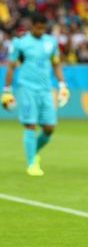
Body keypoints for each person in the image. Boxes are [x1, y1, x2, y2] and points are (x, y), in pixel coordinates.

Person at [1, 12, 70, 176]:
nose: (40, 31)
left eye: (43, 28)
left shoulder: (51, 43)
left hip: (46, 90)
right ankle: (32, 163)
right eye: (38, 28)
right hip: (27, 89)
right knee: (30, 125)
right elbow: (11, 67)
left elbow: (56, 65)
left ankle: (33, 152)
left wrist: (62, 85)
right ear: (31, 26)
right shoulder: (20, 44)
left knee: (49, 128)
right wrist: (7, 91)